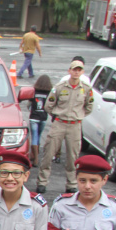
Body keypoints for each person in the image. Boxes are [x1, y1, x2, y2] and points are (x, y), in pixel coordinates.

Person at [36, 60, 94, 194]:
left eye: (79, 70)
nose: (76, 72)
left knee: (72, 157)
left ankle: (71, 183)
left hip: (75, 125)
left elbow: (89, 107)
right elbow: (48, 105)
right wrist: (57, 116)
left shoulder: (86, 88)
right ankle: (42, 182)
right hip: (59, 123)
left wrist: (78, 115)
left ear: (82, 72)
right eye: (74, 69)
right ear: (69, 71)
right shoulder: (60, 87)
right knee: (48, 153)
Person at [28, 75, 51, 168]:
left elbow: (29, 105)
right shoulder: (49, 93)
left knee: (34, 137)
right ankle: (36, 156)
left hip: (34, 117)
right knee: (39, 136)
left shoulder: (34, 91)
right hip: (43, 117)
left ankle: (35, 157)